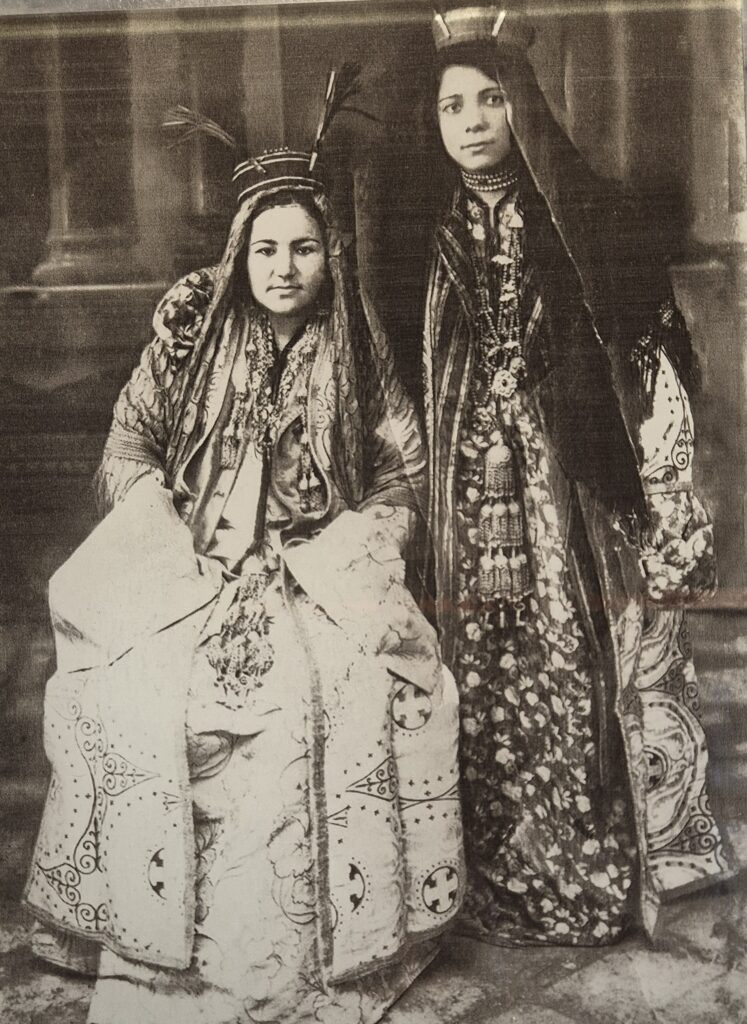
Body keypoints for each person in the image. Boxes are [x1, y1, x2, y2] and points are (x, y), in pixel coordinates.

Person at [24, 101, 464, 1022]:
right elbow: (127, 448)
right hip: (195, 570)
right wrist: (166, 528)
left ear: (327, 255)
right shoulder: (190, 342)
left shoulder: (356, 349)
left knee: (334, 691)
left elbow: (402, 472)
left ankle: (324, 947)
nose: (284, 269)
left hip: (314, 574)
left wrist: (349, 549)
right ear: (240, 253)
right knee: (139, 693)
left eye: (303, 249)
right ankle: (150, 943)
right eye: (267, 250)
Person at [421, 5, 730, 946]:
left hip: (569, 482)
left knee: (576, 653)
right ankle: (481, 867)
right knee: (476, 661)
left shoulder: (585, 213)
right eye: (452, 106)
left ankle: (585, 857)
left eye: (491, 99)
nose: (473, 122)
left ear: (523, 105)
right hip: (465, 489)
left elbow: (647, 351)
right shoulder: (420, 239)